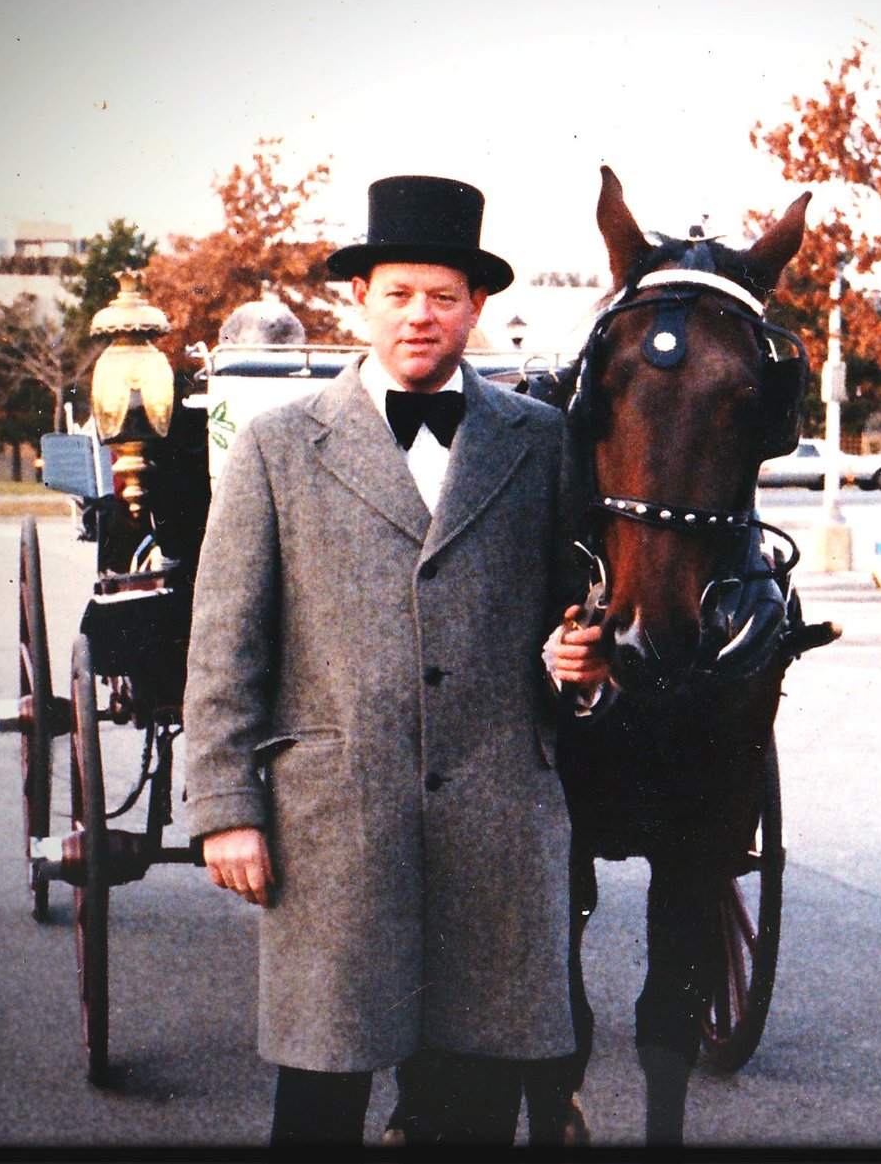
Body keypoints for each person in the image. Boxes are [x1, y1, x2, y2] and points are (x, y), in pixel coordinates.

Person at [181, 174, 610, 1148]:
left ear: (477, 307)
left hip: (498, 832)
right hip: (336, 830)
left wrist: (581, 665)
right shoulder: (277, 446)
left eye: (444, 296)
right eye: (399, 293)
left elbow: (578, 610)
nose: (421, 316)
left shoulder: (540, 440)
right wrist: (225, 812)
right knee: (320, 1105)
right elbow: (224, 647)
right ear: (360, 298)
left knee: (472, 1113)